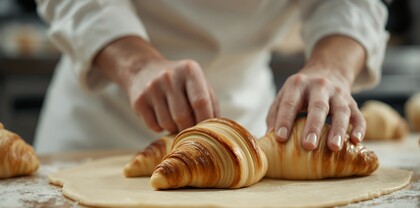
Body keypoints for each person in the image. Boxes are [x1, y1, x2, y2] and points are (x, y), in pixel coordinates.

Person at [34, 1, 388, 154]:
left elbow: (351, 3)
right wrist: (136, 64)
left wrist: (331, 68)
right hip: (98, 128)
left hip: (246, 129)